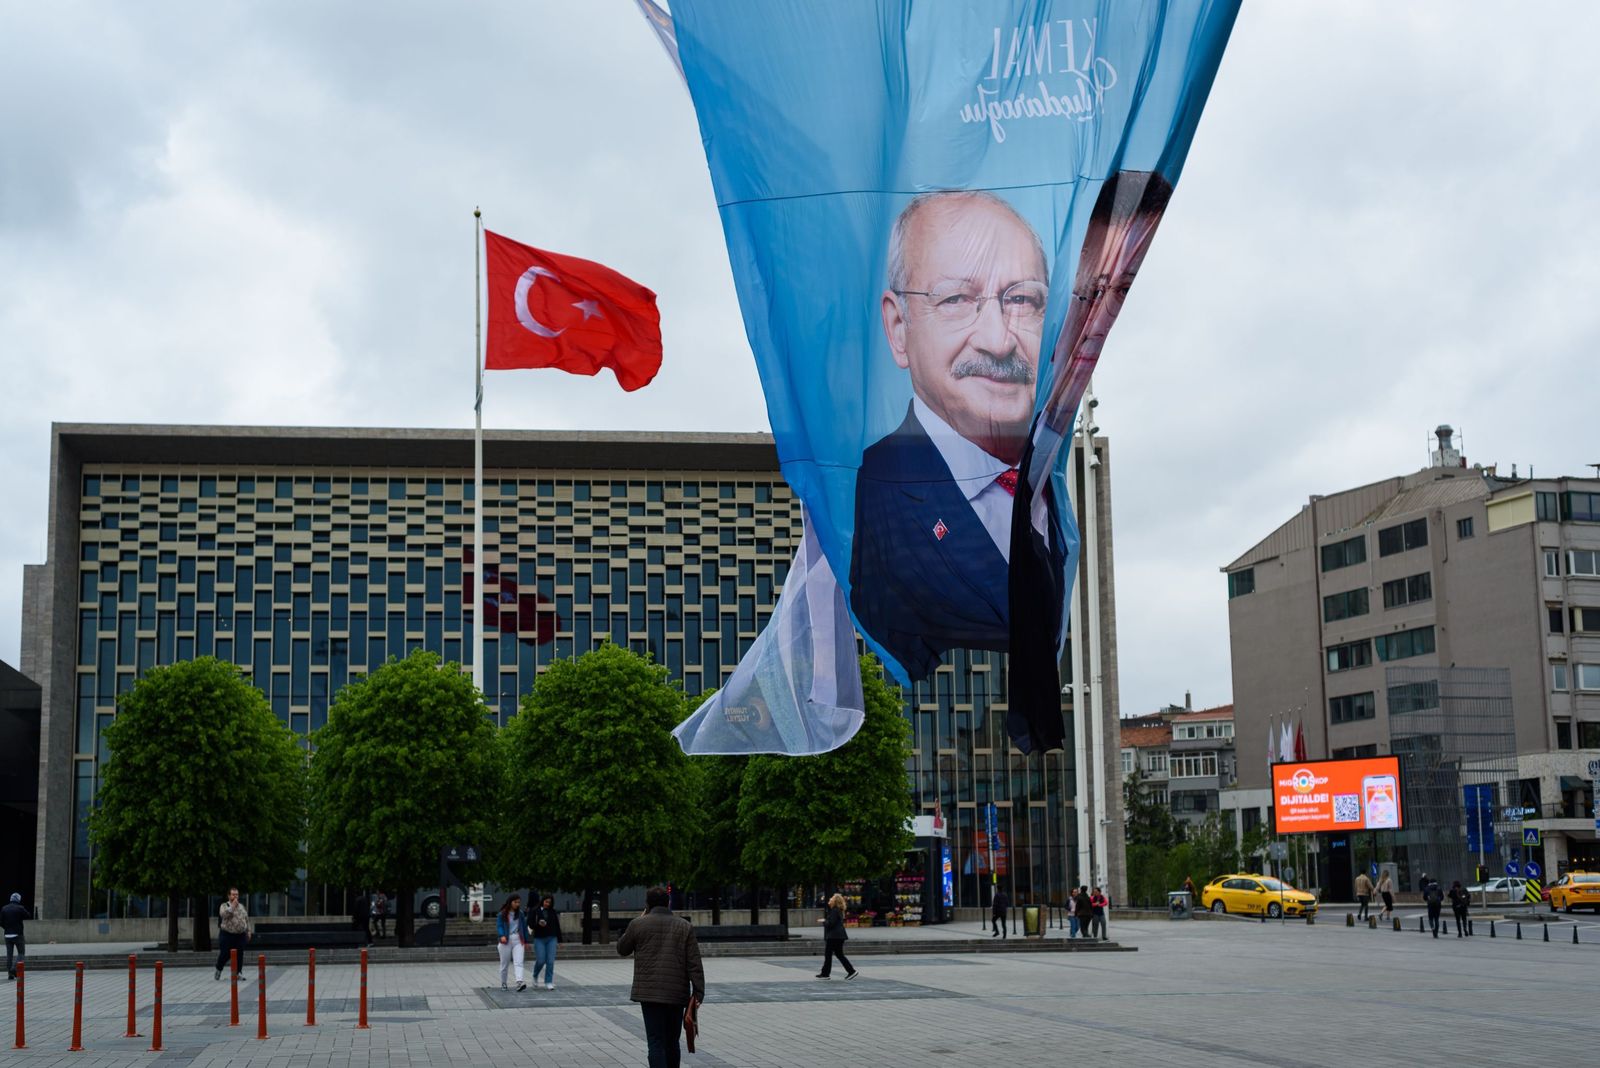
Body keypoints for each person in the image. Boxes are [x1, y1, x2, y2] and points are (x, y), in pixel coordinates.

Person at [850, 190, 1053, 679]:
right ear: (899, 328)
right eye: (957, 300)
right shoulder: (862, 503)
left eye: (1022, 300)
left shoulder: (1058, 486)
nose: (998, 340)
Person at [617, 886, 705, 1068]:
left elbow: (622, 949)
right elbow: (694, 963)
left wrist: (641, 918)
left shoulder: (638, 924)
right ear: (668, 903)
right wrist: (698, 993)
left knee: (655, 1041)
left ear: (647, 904)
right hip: (676, 992)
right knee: (672, 1041)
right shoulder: (684, 926)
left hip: (649, 993)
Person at [816, 892, 857, 980]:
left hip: (834, 936)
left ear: (835, 901)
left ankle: (825, 974)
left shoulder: (835, 910)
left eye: (832, 898)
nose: (830, 899)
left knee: (828, 954)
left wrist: (824, 921)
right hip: (838, 936)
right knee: (839, 954)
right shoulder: (836, 910)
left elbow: (831, 924)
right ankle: (851, 971)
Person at [496, 894, 531, 991]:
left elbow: (524, 927)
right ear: (510, 902)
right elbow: (499, 926)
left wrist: (526, 941)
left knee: (519, 962)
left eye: (519, 902)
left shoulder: (520, 913)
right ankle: (503, 982)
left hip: (518, 939)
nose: (517, 904)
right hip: (506, 940)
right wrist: (502, 935)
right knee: (504, 963)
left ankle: (519, 982)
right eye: (515, 902)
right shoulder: (502, 914)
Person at [215, 888, 251, 981]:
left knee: (240, 954)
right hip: (227, 934)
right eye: (233, 894)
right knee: (225, 954)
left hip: (240, 935)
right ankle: (219, 968)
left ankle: (238, 973)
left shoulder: (241, 906)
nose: (235, 896)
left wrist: (248, 931)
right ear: (229, 896)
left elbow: (246, 919)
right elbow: (223, 915)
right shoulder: (224, 905)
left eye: (237, 894)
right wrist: (232, 907)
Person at [531, 893, 562, 990]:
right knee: (541, 960)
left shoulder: (553, 911)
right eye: (546, 902)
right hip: (539, 938)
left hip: (552, 938)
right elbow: (530, 924)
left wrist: (560, 940)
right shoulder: (535, 911)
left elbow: (557, 926)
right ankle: (535, 975)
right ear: (542, 901)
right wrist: (538, 924)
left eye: (549, 902)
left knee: (550, 961)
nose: (547, 904)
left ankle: (548, 981)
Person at [2, 892, 27, 980]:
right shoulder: (20, 908)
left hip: (7, 935)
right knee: (21, 953)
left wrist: (6, 928)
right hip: (18, 935)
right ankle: (14, 968)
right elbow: (28, 915)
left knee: (9, 954)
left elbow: (1, 921)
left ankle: (10, 974)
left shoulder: (4, 908)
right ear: (18, 899)